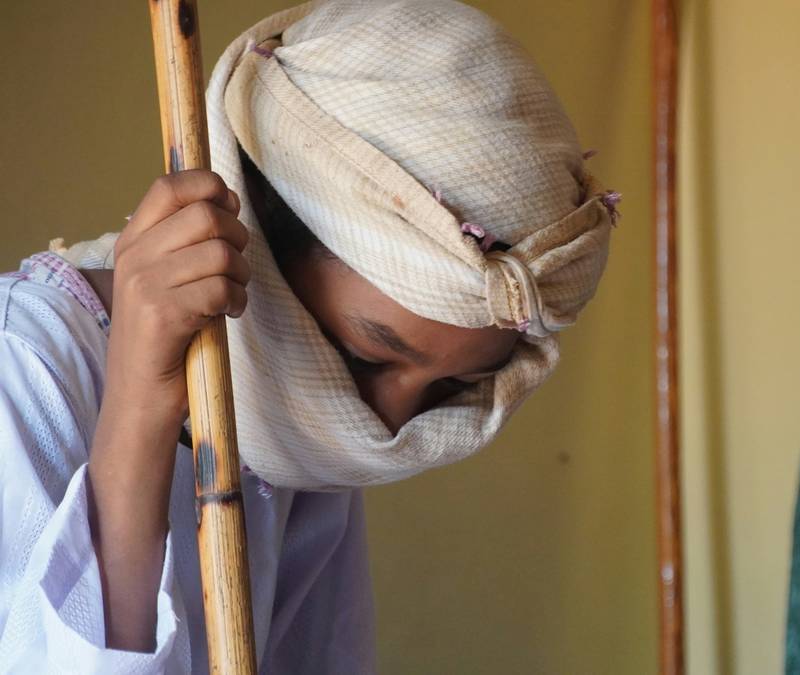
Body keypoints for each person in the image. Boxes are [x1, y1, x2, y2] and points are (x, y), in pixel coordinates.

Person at [0, 0, 617, 671]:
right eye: (364, 356)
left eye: (450, 387)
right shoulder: (24, 364)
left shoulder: (311, 433)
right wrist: (139, 411)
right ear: (255, 237)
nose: (386, 423)